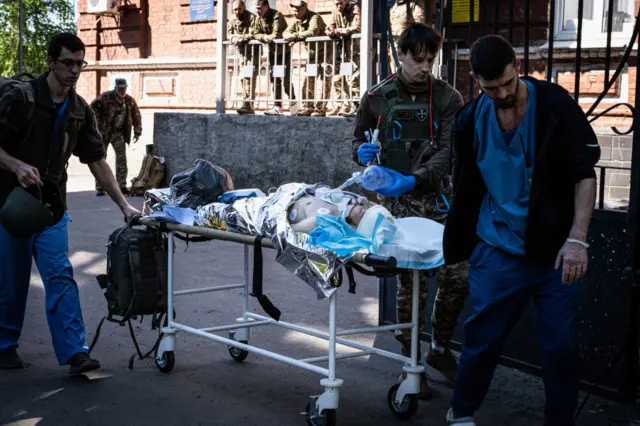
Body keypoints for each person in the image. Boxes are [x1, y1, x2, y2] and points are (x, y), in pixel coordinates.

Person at [442, 35, 600, 426]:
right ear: (477, 80)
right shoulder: (470, 120)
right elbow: (464, 184)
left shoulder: (555, 106)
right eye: (490, 87)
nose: (501, 93)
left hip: (556, 251)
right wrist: (470, 247)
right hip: (498, 248)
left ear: (518, 66)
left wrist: (578, 240)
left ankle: (559, 421)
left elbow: (584, 175)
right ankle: (461, 412)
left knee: (560, 346)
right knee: (483, 339)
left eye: (508, 84)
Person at [0, 32, 140, 374]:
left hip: (51, 210)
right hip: (12, 208)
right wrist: (15, 165)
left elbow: (96, 160)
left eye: (80, 63)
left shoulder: (79, 110)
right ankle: (5, 345)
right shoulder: (21, 98)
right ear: (51, 62)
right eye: (68, 63)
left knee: (61, 275)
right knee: (11, 280)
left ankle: (76, 351)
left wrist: (124, 205)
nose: (75, 70)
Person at [352, 23, 468, 398]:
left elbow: (448, 152)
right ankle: (409, 361)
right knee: (409, 283)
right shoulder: (376, 97)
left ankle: (439, 348)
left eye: (431, 59)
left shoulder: (449, 98)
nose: (425, 67)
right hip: (396, 204)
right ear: (399, 55)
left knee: (457, 274)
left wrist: (415, 179)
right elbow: (358, 137)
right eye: (417, 59)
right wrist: (361, 152)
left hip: (434, 199)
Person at [91, 78, 142, 196]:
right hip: (104, 133)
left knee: (121, 159)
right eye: (120, 88)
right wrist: (96, 125)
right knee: (100, 159)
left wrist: (137, 131)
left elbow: (136, 116)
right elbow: (91, 109)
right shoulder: (105, 97)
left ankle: (122, 186)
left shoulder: (129, 101)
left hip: (119, 133)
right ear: (116, 87)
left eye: (124, 88)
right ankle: (100, 187)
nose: (123, 90)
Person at [283, 0, 332, 117]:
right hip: (312, 55)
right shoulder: (296, 20)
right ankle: (308, 107)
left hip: (326, 54)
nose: (296, 12)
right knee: (308, 82)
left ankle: (320, 109)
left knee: (326, 82)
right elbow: (285, 32)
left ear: (305, 8)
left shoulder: (314, 17)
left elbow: (312, 32)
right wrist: (289, 36)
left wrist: (294, 37)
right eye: (294, 9)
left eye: (298, 9)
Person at [252, 0, 296, 116]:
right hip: (273, 53)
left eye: (260, 8)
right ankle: (278, 107)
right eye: (256, 8)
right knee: (274, 80)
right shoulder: (259, 18)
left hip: (284, 52)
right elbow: (255, 33)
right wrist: (264, 37)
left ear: (266, 6)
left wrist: (268, 38)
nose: (258, 10)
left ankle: (294, 108)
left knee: (286, 81)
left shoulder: (277, 15)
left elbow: (276, 34)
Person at [326, 0, 361, 117]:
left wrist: (338, 32)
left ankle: (357, 107)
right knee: (338, 79)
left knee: (354, 79)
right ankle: (343, 105)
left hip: (355, 51)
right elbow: (330, 26)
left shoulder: (354, 8)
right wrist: (330, 31)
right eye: (336, 4)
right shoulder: (335, 11)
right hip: (342, 51)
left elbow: (357, 27)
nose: (338, 6)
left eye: (341, 3)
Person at [229, 0, 259, 114]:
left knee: (249, 77)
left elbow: (254, 33)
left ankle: (248, 104)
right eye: (235, 9)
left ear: (244, 7)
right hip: (242, 53)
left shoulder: (251, 17)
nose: (237, 11)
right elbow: (229, 33)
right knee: (243, 78)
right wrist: (233, 39)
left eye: (239, 9)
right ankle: (247, 103)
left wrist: (241, 38)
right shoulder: (232, 19)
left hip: (253, 53)